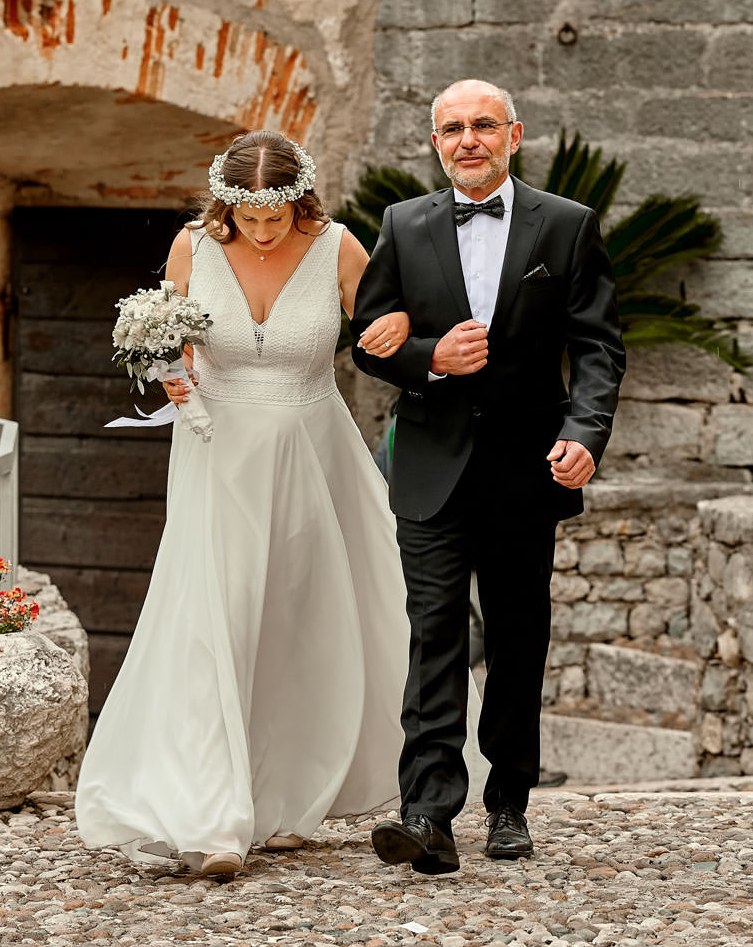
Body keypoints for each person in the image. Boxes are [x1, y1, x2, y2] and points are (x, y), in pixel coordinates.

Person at [76, 129, 438, 877]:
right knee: (220, 617)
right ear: (227, 203)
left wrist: (414, 338)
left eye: (276, 216)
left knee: (296, 620)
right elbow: (167, 343)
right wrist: (169, 372)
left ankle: (283, 797)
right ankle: (215, 821)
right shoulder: (191, 249)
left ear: (297, 200)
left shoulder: (339, 248)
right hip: (219, 456)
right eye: (250, 217)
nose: (264, 231)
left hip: (312, 454)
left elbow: (381, 340)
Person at [349, 79, 625, 873]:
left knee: (516, 637)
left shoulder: (567, 226)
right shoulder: (402, 225)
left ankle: (509, 802)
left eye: (481, 126)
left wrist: (585, 435)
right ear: (435, 144)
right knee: (433, 632)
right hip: (429, 464)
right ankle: (428, 814)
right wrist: (425, 358)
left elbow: (600, 347)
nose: (466, 139)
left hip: (524, 471)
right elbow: (365, 334)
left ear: (513, 135)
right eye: (450, 129)